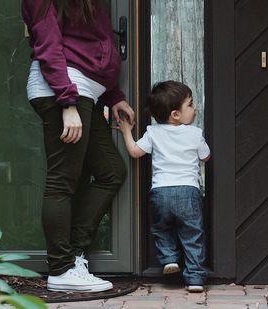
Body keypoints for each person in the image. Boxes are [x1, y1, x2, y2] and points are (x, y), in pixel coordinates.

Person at [21, 0, 135, 293]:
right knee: (63, 181)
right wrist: (67, 102)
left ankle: (74, 256)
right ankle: (60, 269)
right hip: (64, 91)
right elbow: (48, 44)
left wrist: (113, 95)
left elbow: (97, 46)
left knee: (111, 171)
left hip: (84, 92)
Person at [116, 80, 210, 292]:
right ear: (176, 114)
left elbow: (135, 152)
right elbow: (206, 156)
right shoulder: (195, 134)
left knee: (161, 228)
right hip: (188, 191)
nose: (194, 109)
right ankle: (194, 278)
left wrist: (125, 131)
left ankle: (169, 258)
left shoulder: (153, 132)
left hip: (161, 192)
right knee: (192, 234)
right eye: (191, 105)